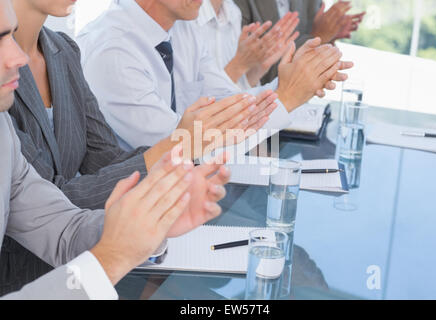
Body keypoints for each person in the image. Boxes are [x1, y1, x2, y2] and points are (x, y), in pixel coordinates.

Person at [1, 0, 255, 294]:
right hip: (27, 277)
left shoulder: (61, 53)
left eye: (11, 36)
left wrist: (150, 220)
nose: (18, 56)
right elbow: (61, 197)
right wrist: (175, 148)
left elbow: (66, 219)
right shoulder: (111, 45)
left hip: (78, 271)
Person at [77, 0, 352, 153]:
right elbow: (182, 149)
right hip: (130, 216)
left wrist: (290, 83)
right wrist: (286, 96)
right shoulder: (113, 52)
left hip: (184, 193)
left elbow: (231, 103)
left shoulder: (184, 29)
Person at [234, 0, 365, 84]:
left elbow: (316, 53)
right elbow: (251, 78)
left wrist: (330, 35)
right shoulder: (235, 5)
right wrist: (318, 36)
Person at [196, 0, 300, 90]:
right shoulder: (187, 16)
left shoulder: (232, 11)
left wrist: (256, 70)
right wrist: (239, 65)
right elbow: (194, 104)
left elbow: (233, 89)